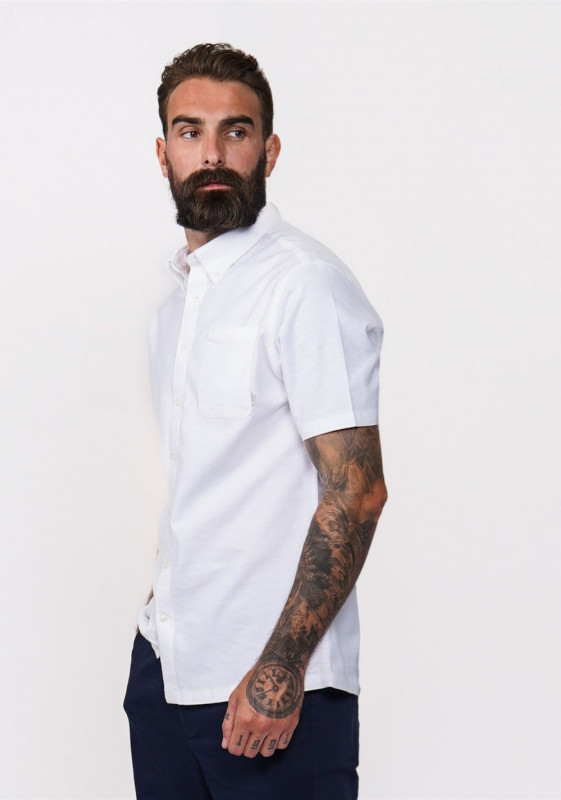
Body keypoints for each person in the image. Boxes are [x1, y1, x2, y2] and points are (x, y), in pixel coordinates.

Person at [123, 43, 387, 800]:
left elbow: (357, 492)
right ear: (163, 153)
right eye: (190, 131)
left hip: (271, 685)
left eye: (235, 131)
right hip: (168, 671)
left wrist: (281, 668)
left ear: (268, 151)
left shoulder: (304, 285)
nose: (211, 153)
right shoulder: (176, 307)